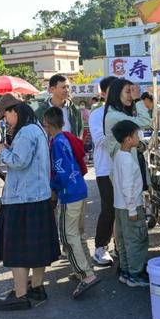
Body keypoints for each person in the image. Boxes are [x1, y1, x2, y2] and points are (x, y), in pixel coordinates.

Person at [0, 93, 60, 311]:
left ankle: (21, 294)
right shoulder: (37, 129)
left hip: (21, 198)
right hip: (38, 196)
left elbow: (18, 162)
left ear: (14, 111)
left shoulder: (25, 132)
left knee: (17, 248)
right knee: (37, 246)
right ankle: (37, 287)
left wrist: (2, 151)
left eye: (5, 116)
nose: (5, 120)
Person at [43, 107, 101, 299]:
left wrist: (52, 188)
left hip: (68, 193)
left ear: (48, 124)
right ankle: (85, 267)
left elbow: (60, 171)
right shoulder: (66, 137)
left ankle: (86, 275)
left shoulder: (56, 143)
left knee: (68, 236)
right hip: (79, 188)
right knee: (78, 233)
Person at [111, 120, 149, 287]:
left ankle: (126, 271)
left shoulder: (119, 155)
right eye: (135, 135)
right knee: (136, 240)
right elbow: (128, 186)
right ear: (128, 139)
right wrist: (133, 209)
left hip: (120, 206)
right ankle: (135, 274)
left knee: (125, 240)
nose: (138, 138)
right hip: (130, 207)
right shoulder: (126, 160)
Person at [90, 76, 117, 266]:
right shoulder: (97, 115)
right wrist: (123, 138)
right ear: (103, 93)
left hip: (126, 167)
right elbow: (100, 140)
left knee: (124, 209)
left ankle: (120, 246)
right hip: (105, 169)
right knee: (108, 209)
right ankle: (100, 248)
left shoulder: (126, 111)